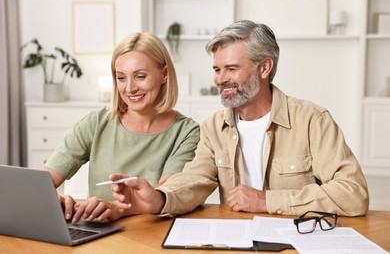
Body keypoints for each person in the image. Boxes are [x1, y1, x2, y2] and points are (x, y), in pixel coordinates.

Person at [110, 20, 369, 217]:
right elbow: (194, 179)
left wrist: (266, 201)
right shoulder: (213, 127)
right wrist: (158, 198)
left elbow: (353, 194)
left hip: (297, 240)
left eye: (231, 69)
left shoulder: (312, 120)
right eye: (217, 69)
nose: (221, 79)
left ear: (265, 67)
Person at [42, 32, 200, 223]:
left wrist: (117, 208)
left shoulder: (186, 132)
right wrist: (52, 200)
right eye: (121, 78)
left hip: (151, 236)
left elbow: (166, 194)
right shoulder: (96, 122)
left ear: (164, 74)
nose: (130, 88)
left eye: (140, 76)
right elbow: (44, 180)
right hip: (96, 236)